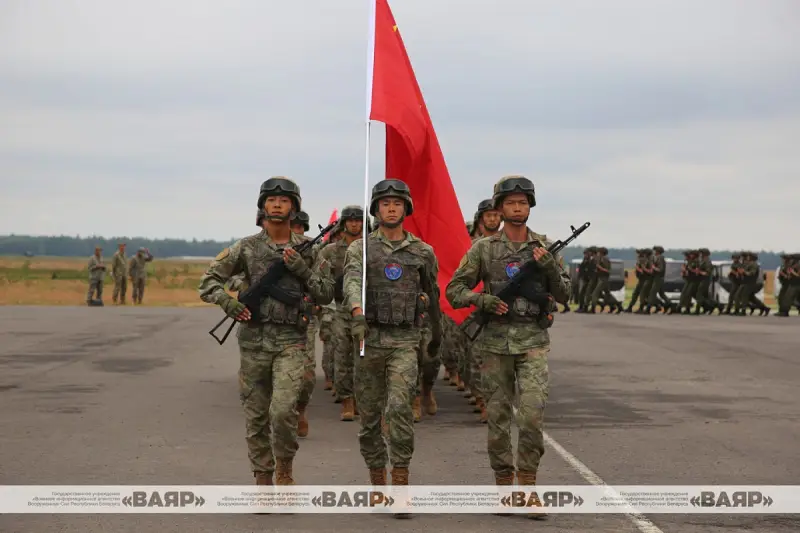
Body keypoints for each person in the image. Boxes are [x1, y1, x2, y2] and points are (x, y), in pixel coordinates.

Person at [446, 175, 570, 519]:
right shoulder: (483, 249)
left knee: (531, 416)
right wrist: (482, 300)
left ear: (530, 207)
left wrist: (549, 269)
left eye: (523, 203)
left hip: (532, 343)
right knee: (498, 419)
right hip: (494, 346)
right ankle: (504, 486)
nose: (517, 208)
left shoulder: (544, 248)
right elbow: (454, 291)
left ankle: (528, 486)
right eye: (511, 203)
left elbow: (565, 295)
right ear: (499, 208)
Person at [198, 177, 333, 486]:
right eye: (271, 200)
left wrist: (302, 270)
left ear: (294, 208)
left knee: (284, 410)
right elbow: (208, 283)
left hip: (291, 340)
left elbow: (326, 293)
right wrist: (229, 304)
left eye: (283, 200)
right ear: (262, 206)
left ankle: (284, 468)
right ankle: (262, 476)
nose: (276, 204)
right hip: (253, 340)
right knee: (256, 415)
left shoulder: (309, 250)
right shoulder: (245, 248)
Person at [342, 179, 442, 501]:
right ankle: (377, 481)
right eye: (384, 203)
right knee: (370, 418)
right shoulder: (361, 248)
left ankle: (400, 480)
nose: (391, 208)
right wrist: (357, 312)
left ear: (406, 208)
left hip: (404, 341)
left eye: (397, 203)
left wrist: (436, 337)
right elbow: (352, 281)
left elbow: (433, 296)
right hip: (368, 339)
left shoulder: (422, 251)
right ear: (376, 209)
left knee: (399, 408)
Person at [317, 205, 369, 421]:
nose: (355, 223)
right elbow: (320, 280)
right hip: (341, 309)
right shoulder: (330, 251)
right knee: (342, 357)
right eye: (351, 220)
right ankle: (347, 400)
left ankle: (362, 399)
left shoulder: (370, 249)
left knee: (364, 359)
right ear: (344, 223)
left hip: (366, 310)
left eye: (358, 220)